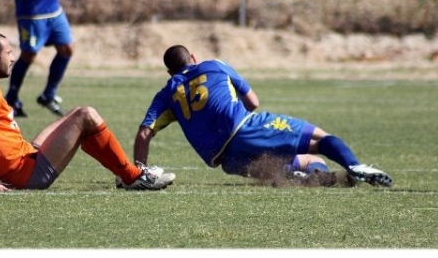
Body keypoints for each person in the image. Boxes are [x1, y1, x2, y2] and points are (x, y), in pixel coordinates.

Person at [129, 45, 393, 188]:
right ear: (194, 58)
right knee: (319, 138)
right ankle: (355, 166)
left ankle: (305, 175)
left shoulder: (167, 94)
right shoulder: (214, 65)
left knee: (308, 162)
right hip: (246, 130)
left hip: (225, 160)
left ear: (169, 72)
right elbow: (253, 102)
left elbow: (143, 134)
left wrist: (138, 172)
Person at [0, 31, 175, 192]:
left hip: (25, 157)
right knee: (86, 115)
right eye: (9, 53)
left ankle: (123, 172)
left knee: (76, 112)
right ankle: (132, 176)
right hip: (26, 173)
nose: (13, 58)